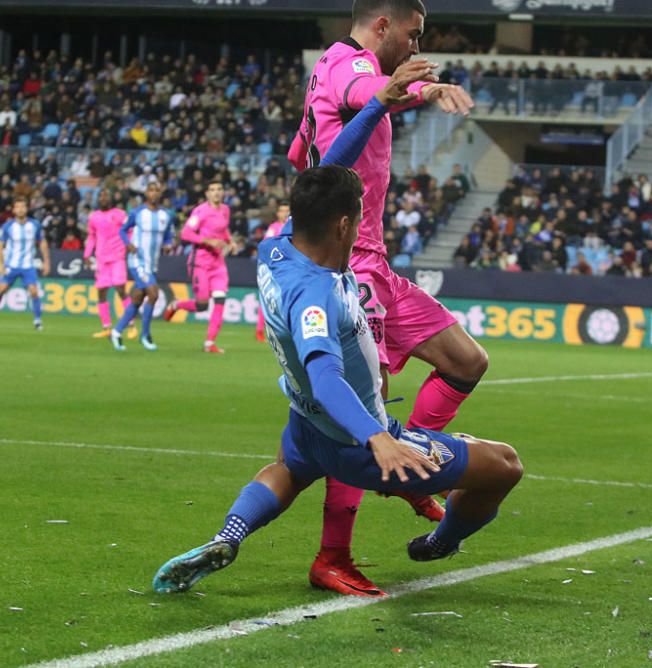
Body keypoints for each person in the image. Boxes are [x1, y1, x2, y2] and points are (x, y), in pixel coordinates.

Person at [152, 87, 522, 596]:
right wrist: (378, 438)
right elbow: (325, 374)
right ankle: (441, 541)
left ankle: (228, 536)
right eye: (359, 218)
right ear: (345, 225)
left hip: (304, 428)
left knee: (285, 470)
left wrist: (378, 104)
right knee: (503, 465)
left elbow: (325, 172)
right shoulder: (318, 298)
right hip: (357, 446)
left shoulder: (277, 246)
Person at [288, 0, 486, 597]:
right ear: (382, 26)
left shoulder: (327, 72)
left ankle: (414, 477)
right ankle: (332, 556)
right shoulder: (346, 65)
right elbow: (365, 88)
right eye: (412, 33)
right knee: (362, 412)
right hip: (354, 272)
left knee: (466, 362)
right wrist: (418, 93)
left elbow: (303, 155)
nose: (413, 44)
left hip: (377, 264)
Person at [162, 180, 232, 354]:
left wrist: (230, 241)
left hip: (218, 263)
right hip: (199, 262)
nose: (216, 192)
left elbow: (223, 230)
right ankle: (176, 305)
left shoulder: (225, 210)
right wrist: (208, 241)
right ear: (207, 194)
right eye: (213, 189)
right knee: (202, 304)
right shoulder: (200, 211)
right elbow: (186, 233)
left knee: (220, 299)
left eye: (219, 189)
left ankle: (210, 343)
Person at [110, 181, 176, 352]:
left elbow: (169, 236)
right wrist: (127, 244)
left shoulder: (166, 215)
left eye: (157, 190)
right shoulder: (137, 212)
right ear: (146, 193)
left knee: (138, 299)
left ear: (160, 193)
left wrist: (168, 245)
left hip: (152, 263)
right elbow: (123, 230)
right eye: (151, 190)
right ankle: (145, 335)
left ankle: (116, 332)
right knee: (153, 293)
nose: (154, 193)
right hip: (137, 260)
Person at [0, 197, 50, 331]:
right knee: (1, 289)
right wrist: (2, 265)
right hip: (11, 265)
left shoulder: (35, 225)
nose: (20, 209)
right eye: (18, 207)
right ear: (14, 210)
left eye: (23, 207)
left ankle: (37, 321)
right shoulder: (8, 226)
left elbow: (42, 242)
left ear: (27, 209)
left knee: (34, 291)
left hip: (28, 265)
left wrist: (47, 261)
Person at [85, 189, 136, 340]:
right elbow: (92, 236)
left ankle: (132, 325)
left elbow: (130, 230)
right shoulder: (94, 217)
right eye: (101, 195)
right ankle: (106, 327)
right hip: (101, 259)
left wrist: (129, 245)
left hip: (117, 257)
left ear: (112, 198)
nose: (103, 198)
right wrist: (87, 253)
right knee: (101, 292)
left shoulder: (120, 214)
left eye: (106, 195)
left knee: (121, 289)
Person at [255, 203, 291, 342]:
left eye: (287, 210)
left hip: (289, 269)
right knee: (268, 297)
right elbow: (266, 245)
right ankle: (259, 330)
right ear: (278, 214)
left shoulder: (294, 227)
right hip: (274, 268)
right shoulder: (274, 228)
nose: (284, 213)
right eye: (282, 211)